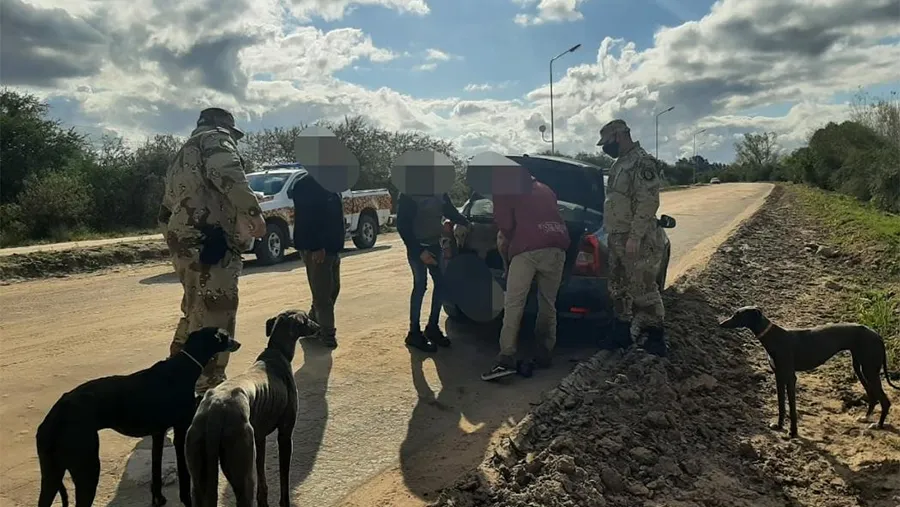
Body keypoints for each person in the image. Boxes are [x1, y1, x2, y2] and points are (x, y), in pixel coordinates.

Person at [158, 107, 265, 397]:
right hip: (210, 242)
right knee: (216, 312)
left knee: (195, 310)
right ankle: (208, 388)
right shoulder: (215, 138)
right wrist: (252, 211)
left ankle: (175, 377)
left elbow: (166, 208)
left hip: (185, 241)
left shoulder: (181, 155)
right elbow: (227, 171)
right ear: (224, 127)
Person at [482, 169, 571, 380]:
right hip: (558, 246)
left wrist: (507, 260)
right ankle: (544, 353)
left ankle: (506, 358)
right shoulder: (545, 189)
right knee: (548, 303)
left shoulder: (503, 190)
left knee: (514, 303)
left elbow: (504, 227)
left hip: (528, 249)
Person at [597, 119, 668, 357]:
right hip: (617, 236)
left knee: (643, 288)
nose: (605, 148)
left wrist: (635, 236)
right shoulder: (620, 164)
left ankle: (654, 338)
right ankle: (622, 332)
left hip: (636, 237)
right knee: (618, 287)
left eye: (607, 143)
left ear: (619, 136)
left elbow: (648, 200)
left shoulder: (642, 162)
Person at [397, 192, 469, 352]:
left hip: (435, 245)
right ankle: (414, 333)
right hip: (418, 249)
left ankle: (432, 327)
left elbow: (450, 211)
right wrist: (420, 252)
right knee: (420, 286)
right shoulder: (409, 194)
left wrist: (466, 223)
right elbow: (403, 226)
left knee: (442, 285)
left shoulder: (440, 191)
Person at [290, 170, 345, 348]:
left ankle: (312, 323)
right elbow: (307, 218)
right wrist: (315, 246)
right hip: (317, 250)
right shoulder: (306, 185)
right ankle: (327, 333)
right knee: (322, 294)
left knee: (333, 289)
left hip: (332, 248)